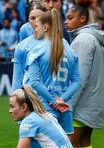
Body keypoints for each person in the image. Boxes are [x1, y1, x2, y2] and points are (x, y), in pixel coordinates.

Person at [65, 0, 104, 148]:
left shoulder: (83, 40)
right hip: (93, 102)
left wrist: (67, 104)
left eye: (69, 18)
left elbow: (78, 77)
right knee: (83, 145)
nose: (65, 21)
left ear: (82, 19)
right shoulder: (94, 38)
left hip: (81, 104)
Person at [28, 8, 81, 136]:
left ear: (45, 27)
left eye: (37, 26)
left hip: (46, 107)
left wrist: (52, 101)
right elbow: (77, 82)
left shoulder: (37, 50)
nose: (35, 29)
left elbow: (34, 83)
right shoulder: (70, 50)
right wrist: (61, 99)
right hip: (65, 108)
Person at [12, 3, 47, 91]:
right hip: (30, 91)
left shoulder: (58, 41)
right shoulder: (22, 44)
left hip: (51, 94)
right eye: (33, 18)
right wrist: (14, 96)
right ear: (28, 20)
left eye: (39, 17)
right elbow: (17, 76)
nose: (36, 21)